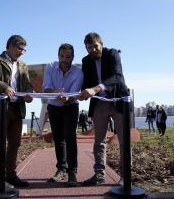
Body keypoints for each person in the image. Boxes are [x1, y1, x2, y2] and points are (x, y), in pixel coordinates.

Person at [78, 32, 129, 186]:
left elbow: (117, 77)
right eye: (89, 48)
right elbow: (86, 82)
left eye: (95, 46)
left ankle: (125, 177)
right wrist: (80, 93)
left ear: (101, 44)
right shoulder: (86, 61)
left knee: (124, 141)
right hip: (99, 103)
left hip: (119, 101)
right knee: (99, 141)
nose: (93, 50)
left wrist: (96, 88)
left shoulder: (112, 54)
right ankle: (99, 175)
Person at [0, 35, 33, 187]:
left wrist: (29, 95)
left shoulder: (23, 65)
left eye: (24, 50)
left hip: (17, 109)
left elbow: (27, 85)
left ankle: (10, 175)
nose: (22, 52)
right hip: (0, 109)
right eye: (19, 48)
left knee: (15, 143)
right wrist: (4, 87)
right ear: (10, 46)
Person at [42, 43, 83, 186]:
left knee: (70, 139)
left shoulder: (78, 72)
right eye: (62, 56)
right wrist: (54, 92)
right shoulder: (50, 66)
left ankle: (72, 172)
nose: (65, 60)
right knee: (58, 139)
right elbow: (46, 89)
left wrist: (66, 98)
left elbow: (73, 94)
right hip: (53, 106)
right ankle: (61, 169)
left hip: (70, 106)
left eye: (68, 57)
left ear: (73, 57)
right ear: (58, 56)